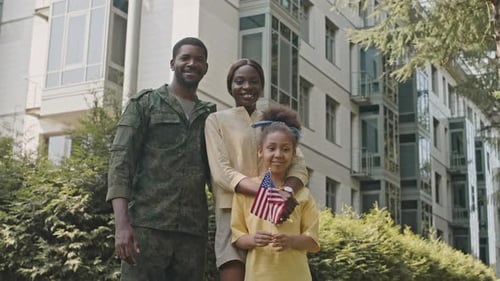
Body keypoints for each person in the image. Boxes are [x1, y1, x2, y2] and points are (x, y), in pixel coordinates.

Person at [106, 37, 216, 281]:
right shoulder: (145, 104)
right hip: (146, 228)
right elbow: (121, 163)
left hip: (192, 234)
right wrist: (121, 225)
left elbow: (220, 174)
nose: (191, 63)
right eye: (185, 58)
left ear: (205, 68)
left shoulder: (210, 116)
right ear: (172, 63)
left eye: (199, 60)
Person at [204, 58, 308, 281]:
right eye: (239, 81)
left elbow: (299, 166)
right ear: (230, 85)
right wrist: (269, 194)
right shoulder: (216, 120)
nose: (247, 87)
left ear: (261, 86)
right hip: (231, 210)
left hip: (274, 213)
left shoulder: (273, 122)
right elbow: (222, 173)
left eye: (254, 81)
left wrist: (287, 193)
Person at [231, 106, 320, 281]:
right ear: (260, 151)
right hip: (258, 275)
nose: (278, 154)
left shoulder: (303, 195)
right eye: (271, 148)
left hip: (296, 275)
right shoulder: (245, 192)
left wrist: (291, 241)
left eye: (285, 149)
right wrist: (253, 239)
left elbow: (312, 241)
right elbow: (238, 237)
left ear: (294, 154)